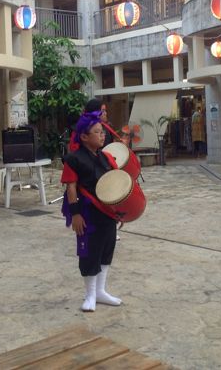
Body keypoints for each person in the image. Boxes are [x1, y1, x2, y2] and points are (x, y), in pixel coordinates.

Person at [60, 111, 122, 312]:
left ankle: (101, 291)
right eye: (97, 132)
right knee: (89, 253)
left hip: (108, 213)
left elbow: (115, 184)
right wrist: (75, 214)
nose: (103, 135)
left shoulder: (107, 158)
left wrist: (121, 211)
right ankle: (90, 295)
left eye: (102, 132)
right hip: (87, 214)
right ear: (85, 137)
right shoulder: (74, 159)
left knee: (106, 250)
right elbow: (71, 188)